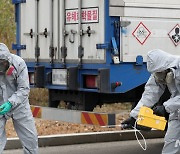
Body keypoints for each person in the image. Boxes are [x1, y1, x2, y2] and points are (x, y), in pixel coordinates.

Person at [122, 49, 180, 154]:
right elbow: (150, 94)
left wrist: (166, 107)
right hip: (177, 113)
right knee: (170, 145)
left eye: (159, 72)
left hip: (176, 109)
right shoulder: (161, 72)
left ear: (166, 67)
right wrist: (135, 116)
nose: (158, 76)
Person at [0, 43, 38, 153]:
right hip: (0, 106)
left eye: (3, 64)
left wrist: (10, 103)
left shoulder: (19, 63)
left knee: (30, 139)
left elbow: (24, 89)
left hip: (19, 105)